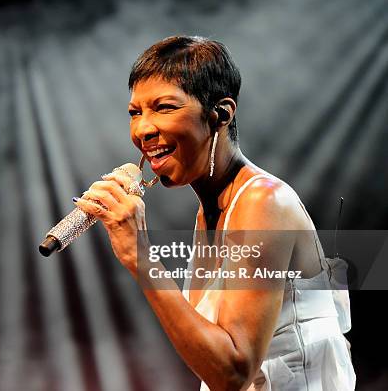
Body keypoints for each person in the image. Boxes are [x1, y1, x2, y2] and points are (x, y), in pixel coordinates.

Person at [73, 35, 355, 390]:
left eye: (164, 107)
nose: (143, 129)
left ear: (220, 114)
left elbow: (232, 372)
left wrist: (139, 256)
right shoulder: (210, 210)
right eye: (135, 112)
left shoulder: (263, 203)